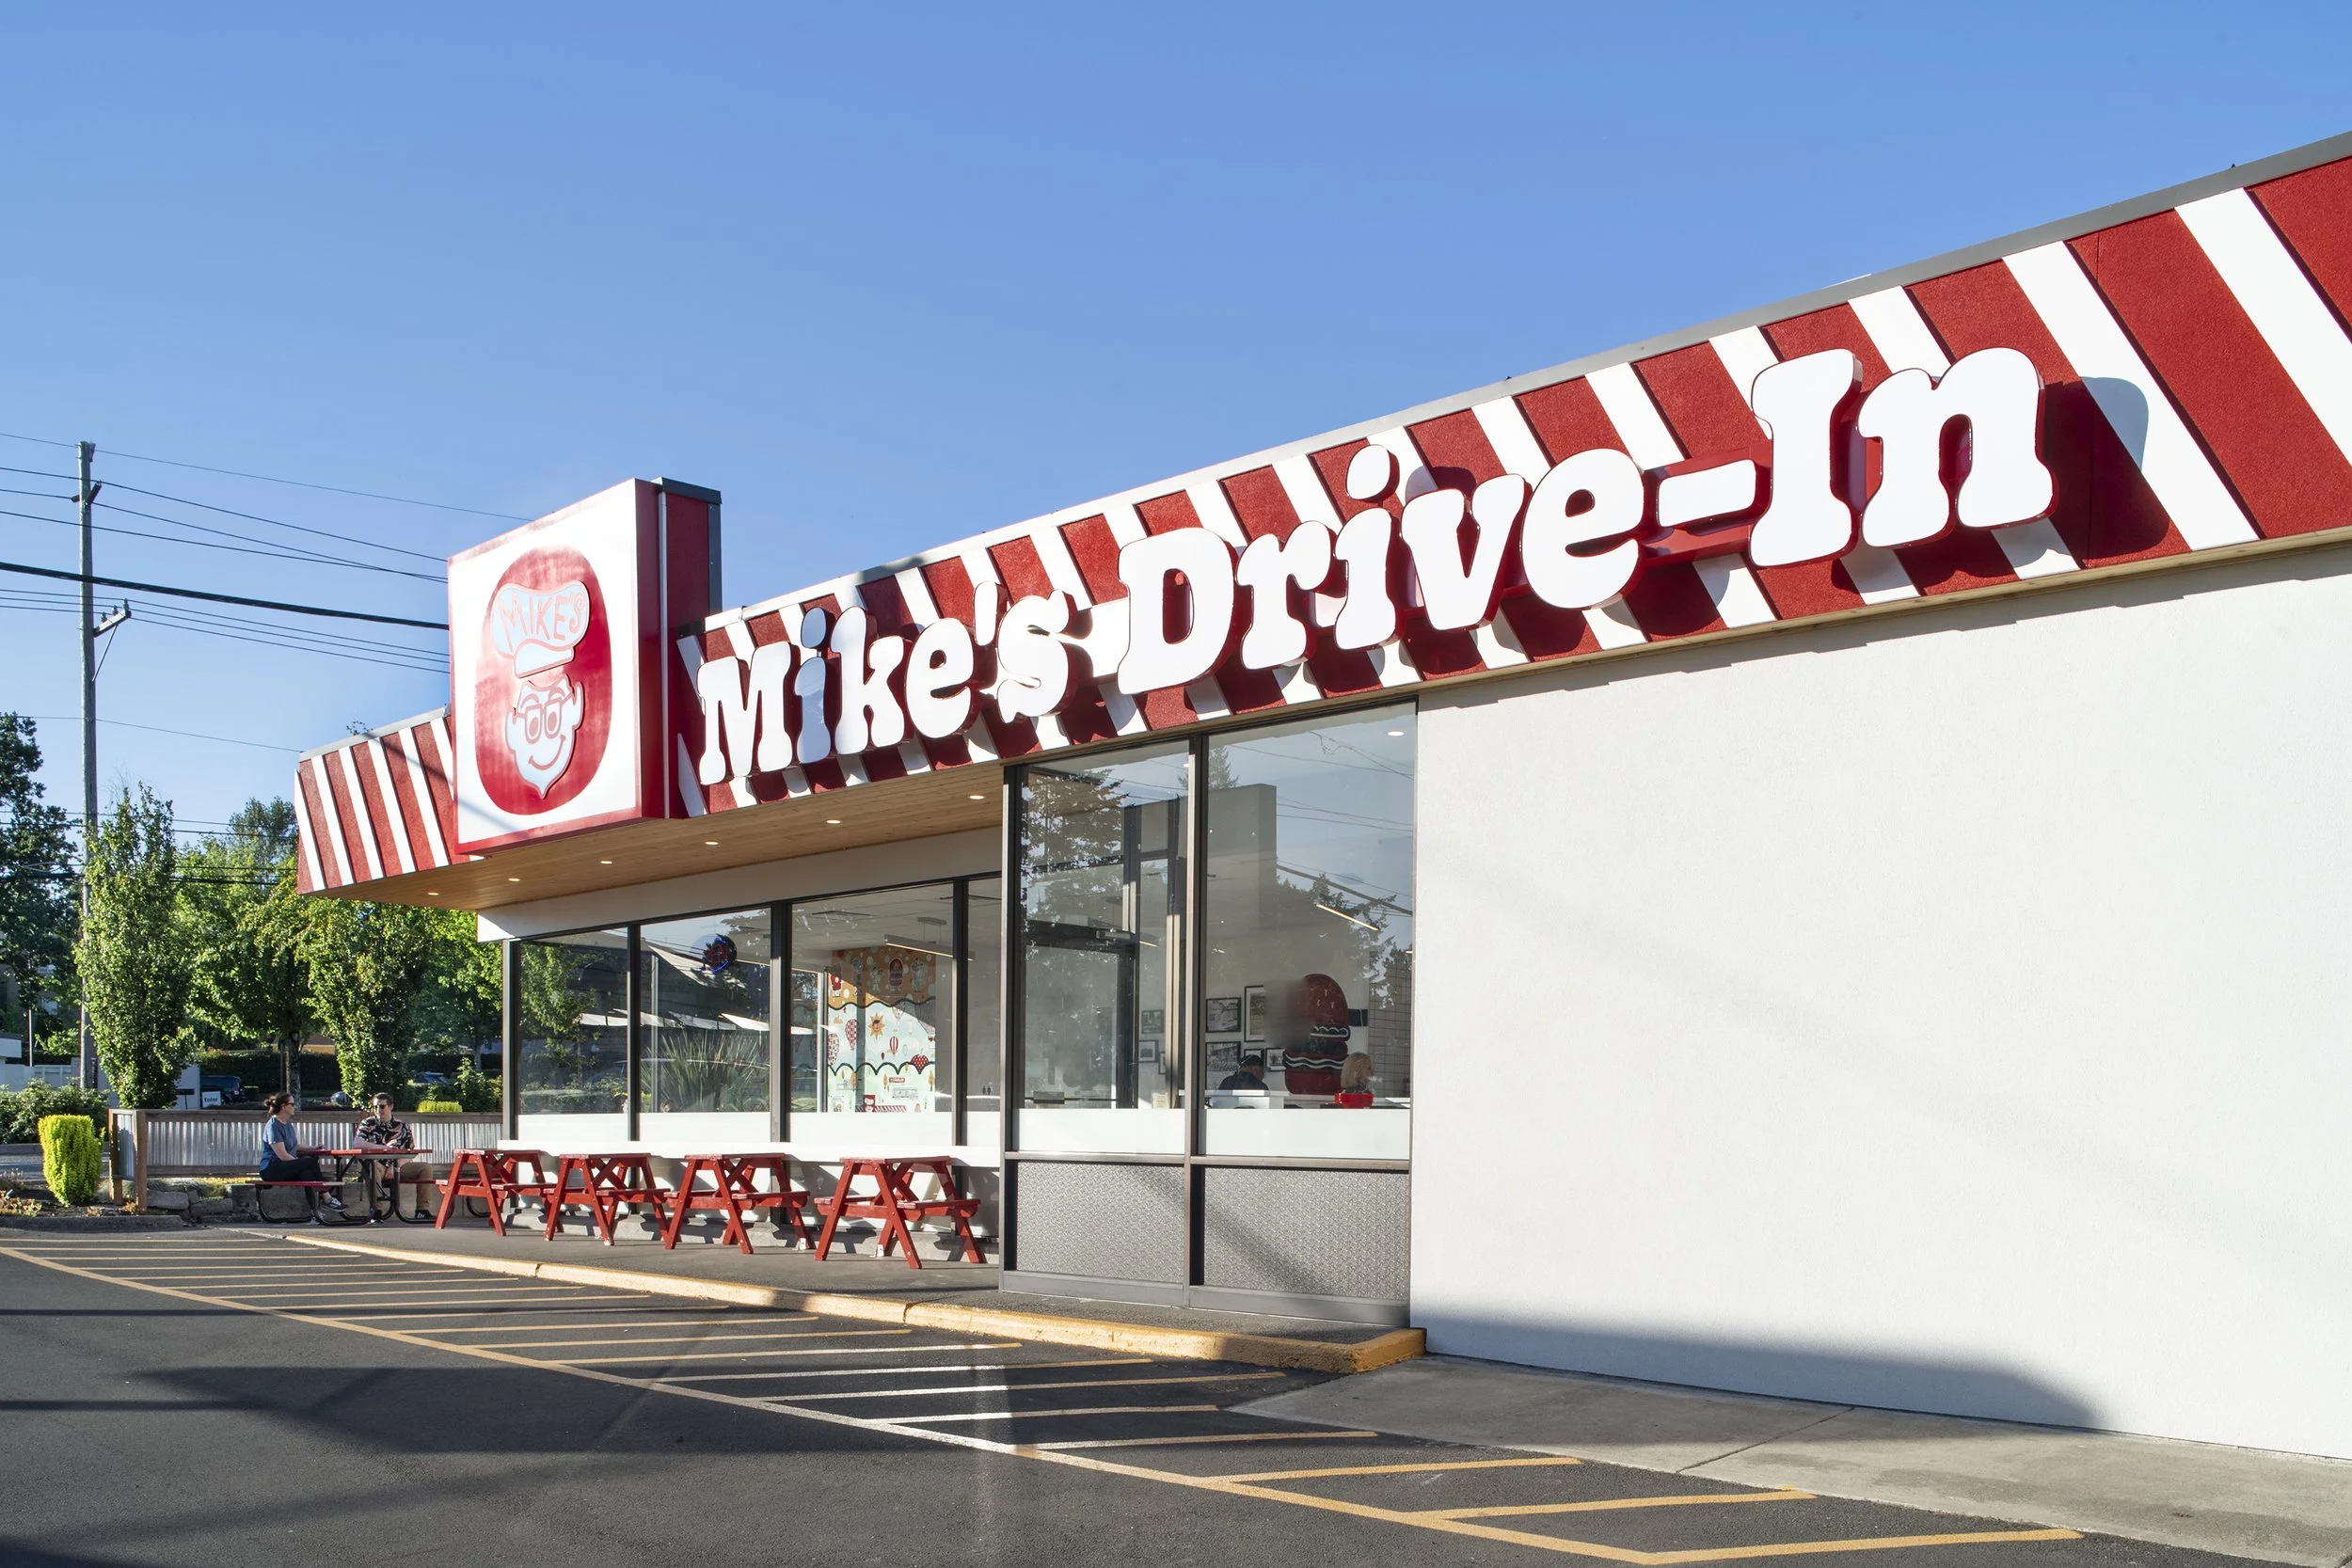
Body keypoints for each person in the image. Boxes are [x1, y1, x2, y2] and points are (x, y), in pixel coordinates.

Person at [257, 1093, 341, 1212]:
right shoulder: (273, 1126)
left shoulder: (288, 1124)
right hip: (272, 1169)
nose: (294, 1107)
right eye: (292, 1104)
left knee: (307, 1173)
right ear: (283, 1106)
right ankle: (327, 1197)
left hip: (286, 1168)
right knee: (308, 1162)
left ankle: (315, 1213)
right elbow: (283, 1155)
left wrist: (313, 1148)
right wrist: (302, 1162)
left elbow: (295, 1145)